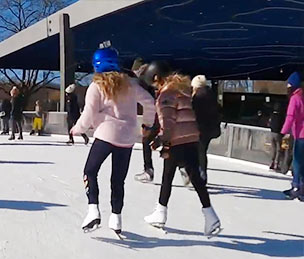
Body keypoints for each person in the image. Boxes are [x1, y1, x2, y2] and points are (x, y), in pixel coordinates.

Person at [70, 47, 156, 235]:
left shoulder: (96, 86)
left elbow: (88, 114)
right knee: (118, 180)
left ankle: (93, 209)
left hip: (105, 136)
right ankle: (116, 218)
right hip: (127, 139)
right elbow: (151, 103)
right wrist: (147, 125)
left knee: (90, 172)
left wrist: (78, 129)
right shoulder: (131, 84)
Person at [141, 62, 221, 235]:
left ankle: (160, 213)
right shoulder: (183, 90)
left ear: (157, 78)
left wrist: (161, 139)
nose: (154, 87)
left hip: (176, 141)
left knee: (167, 177)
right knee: (196, 179)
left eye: (153, 84)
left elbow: (168, 121)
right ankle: (210, 215)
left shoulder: (166, 95)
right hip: (191, 139)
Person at [132, 62, 161, 183]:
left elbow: (149, 104)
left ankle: (148, 170)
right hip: (161, 115)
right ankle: (185, 167)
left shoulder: (141, 82)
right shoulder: (149, 81)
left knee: (147, 141)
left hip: (157, 116)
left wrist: (146, 125)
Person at [191, 75, 221, 183]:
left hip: (201, 128)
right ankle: (201, 174)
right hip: (211, 129)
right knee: (202, 151)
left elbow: (193, 112)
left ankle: (201, 175)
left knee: (199, 152)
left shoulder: (198, 97)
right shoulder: (211, 95)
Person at [282, 71, 304, 200]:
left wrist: (284, 132)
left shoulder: (295, 98)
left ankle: (296, 187)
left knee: (297, 161)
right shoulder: (302, 96)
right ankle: (301, 187)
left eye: (289, 84)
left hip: (300, 134)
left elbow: (290, 116)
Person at [269, 104, 285, 172]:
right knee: (278, 149)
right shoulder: (280, 116)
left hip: (272, 133)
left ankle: (272, 162)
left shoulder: (272, 115)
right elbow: (282, 125)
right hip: (278, 134)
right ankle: (276, 164)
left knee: (273, 148)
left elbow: (269, 123)